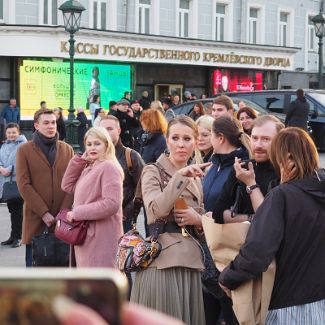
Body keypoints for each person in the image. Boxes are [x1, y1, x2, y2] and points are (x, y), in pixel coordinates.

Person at [219, 127, 325, 325]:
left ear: (286, 158)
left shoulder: (282, 196)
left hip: (289, 304)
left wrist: (228, 277)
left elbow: (257, 252)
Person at [131, 116, 210, 325]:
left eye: (187, 138)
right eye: (175, 138)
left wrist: (199, 219)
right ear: (167, 141)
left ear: (195, 142)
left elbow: (199, 226)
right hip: (162, 262)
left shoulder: (197, 175)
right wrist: (180, 177)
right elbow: (155, 211)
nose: (181, 144)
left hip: (190, 262)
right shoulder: (152, 170)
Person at [16, 109, 74, 267]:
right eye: (46, 123)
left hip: (62, 223)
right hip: (36, 219)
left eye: (53, 122)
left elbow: (72, 184)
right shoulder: (24, 150)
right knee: (36, 275)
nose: (51, 126)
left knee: (63, 275)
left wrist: (62, 213)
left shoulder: (66, 149)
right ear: (36, 125)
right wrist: (44, 212)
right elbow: (23, 185)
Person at [61, 127, 124, 267]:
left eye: (97, 143)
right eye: (89, 144)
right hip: (87, 236)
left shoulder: (108, 167)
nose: (92, 148)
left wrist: (78, 213)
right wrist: (81, 161)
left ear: (106, 145)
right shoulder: (90, 166)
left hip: (101, 238)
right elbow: (67, 186)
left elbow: (111, 203)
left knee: (99, 285)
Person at [212, 115, 284, 224]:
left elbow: (270, 220)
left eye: (266, 139)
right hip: (241, 239)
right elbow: (217, 213)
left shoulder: (285, 172)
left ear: (279, 141)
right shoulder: (242, 168)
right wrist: (250, 218)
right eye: (255, 138)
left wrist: (250, 183)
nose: (258, 145)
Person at [99, 116, 145, 233]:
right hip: (98, 220)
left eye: (109, 128)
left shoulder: (131, 156)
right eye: (102, 129)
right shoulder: (93, 156)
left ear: (118, 131)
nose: (105, 133)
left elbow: (142, 188)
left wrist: (126, 213)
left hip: (123, 221)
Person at [203, 116, 251, 212]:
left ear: (220, 138)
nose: (210, 140)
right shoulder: (216, 163)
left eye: (211, 135)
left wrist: (200, 220)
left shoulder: (242, 169)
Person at [0, 123, 27, 248]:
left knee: (18, 211)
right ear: (6, 134)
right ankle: (13, 235)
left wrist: (10, 169)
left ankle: (19, 237)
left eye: (14, 132)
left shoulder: (23, 145)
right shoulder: (4, 146)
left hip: (18, 181)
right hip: (6, 182)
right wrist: (1, 168)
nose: (11, 135)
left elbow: (24, 163)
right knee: (12, 210)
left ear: (19, 132)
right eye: (9, 132)